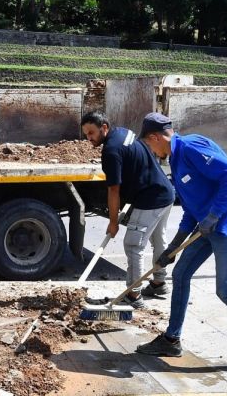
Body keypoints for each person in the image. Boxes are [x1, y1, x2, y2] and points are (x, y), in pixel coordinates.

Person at [136, 113, 227, 373]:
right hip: (208, 225)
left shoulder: (190, 148)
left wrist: (214, 215)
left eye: (150, 145)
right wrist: (173, 247)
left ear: (155, 137)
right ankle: (172, 339)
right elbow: (191, 208)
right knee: (180, 272)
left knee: (226, 289)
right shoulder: (175, 160)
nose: (152, 151)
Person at [81, 111, 175, 308]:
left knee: (133, 245)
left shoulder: (110, 151)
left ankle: (133, 295)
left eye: (91, 133)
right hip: (165, 191)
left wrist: (113, 221)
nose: (89, 139)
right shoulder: (124, 132)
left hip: (150, 199)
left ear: (104, 128)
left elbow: (113, 189)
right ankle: (159, 282)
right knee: (158, 238)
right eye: (86, 134)